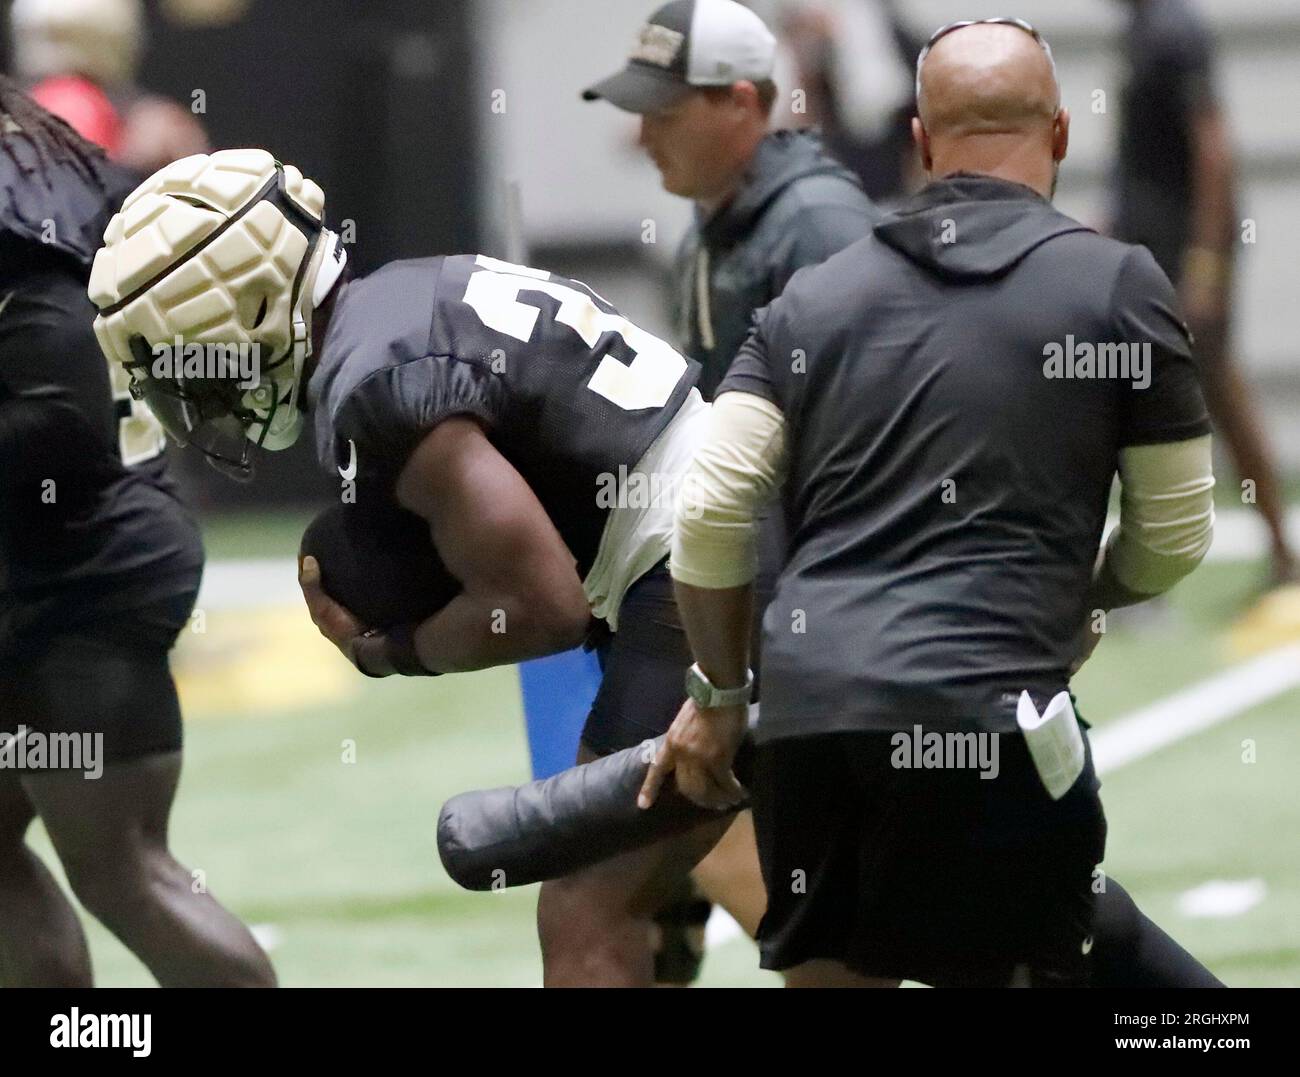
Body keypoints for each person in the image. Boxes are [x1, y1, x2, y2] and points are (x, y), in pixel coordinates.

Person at [87, 146, 789, 987]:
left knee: (586, 902)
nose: (196, 398)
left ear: (254, 310)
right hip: (716, 538)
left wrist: (394, 649)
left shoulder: (375, 385)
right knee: (695, 879)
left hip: (692, 568)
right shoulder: (406, 295)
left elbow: (541, 602)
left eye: (191, 365)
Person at [640, 19, 1222, 987]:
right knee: (1035, 958)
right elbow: (1174, 536)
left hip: (810, 720)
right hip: (992, 716)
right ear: (1064, 135)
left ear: (917, 138)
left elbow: (709, 509)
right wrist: (1086, 596)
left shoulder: (811, 299)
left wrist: (720, 693)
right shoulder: (1119, 288)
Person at [583, 0, 880, 978]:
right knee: (658, 855)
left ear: (743, 102)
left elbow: (860, 451)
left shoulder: (815, 229)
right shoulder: (716, 228)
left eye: (664, 110)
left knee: (725, 854)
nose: (641, 132)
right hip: (757, 600)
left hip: (819, 614)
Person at [0, 80, 273, 987]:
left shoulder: (21, 232)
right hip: (54, 559)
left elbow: (58, 430)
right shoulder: (48, 175)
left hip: (84, 573)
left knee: (122, 868)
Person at [1112, 0, 1294, 584]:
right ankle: (1276, 554)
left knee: (1217, 396)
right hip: (1152, 251)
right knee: (1178, 399)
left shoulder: (1174, 30)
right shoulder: (1142, 28)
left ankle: (1281, 554)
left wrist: (1207, 266)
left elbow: (1214, 149)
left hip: (1183, 255)